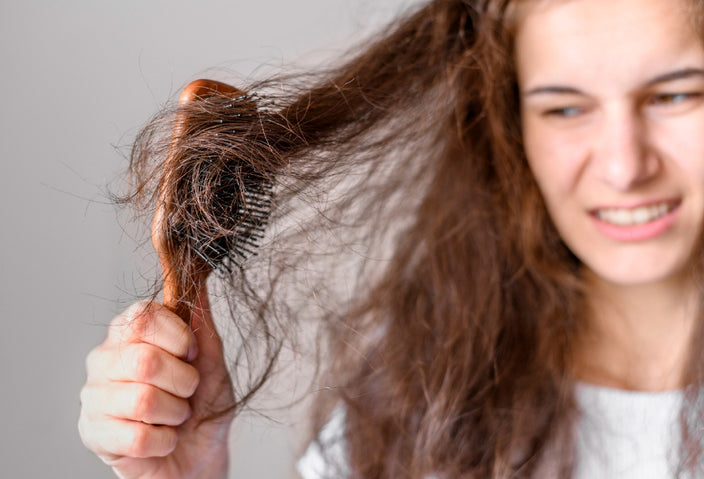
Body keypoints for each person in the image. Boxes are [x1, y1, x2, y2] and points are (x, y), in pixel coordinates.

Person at [78, 0, 704, 477]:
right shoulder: (413, 396)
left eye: (676, 95)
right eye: (564, 108)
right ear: (511, 128)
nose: (625, 168)